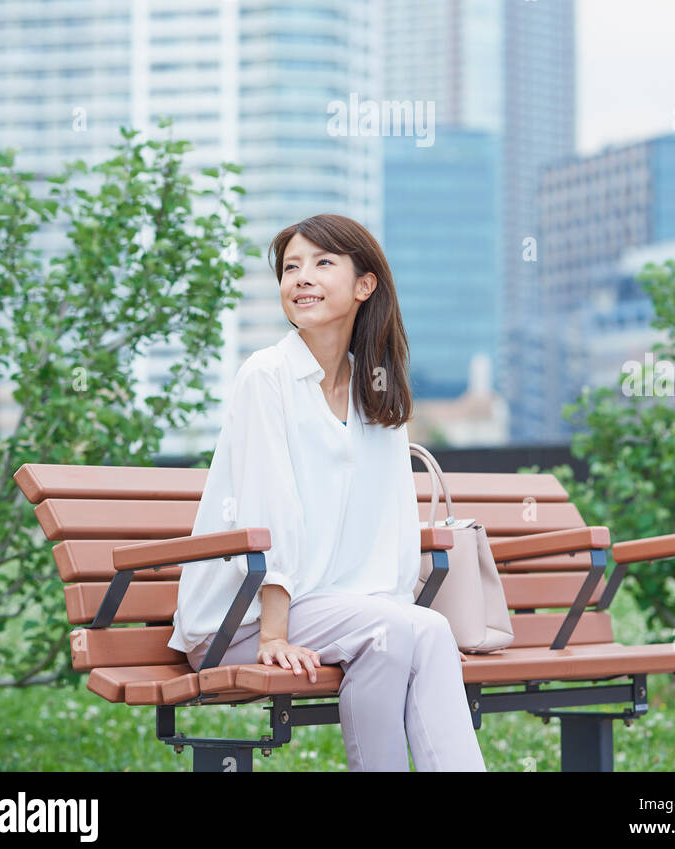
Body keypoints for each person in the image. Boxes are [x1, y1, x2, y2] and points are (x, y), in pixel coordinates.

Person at [168, 212, 486, 772]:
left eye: (322, 263)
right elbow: (269, 510)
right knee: (390, 630)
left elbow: (393, 519)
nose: (302, 277)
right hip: (240, 621)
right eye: (291, 267)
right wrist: (274, 632)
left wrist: (389, 607)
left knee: (427, 630)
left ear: (365, 286)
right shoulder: (266, 376)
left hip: (338, 610)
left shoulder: (375, 388)